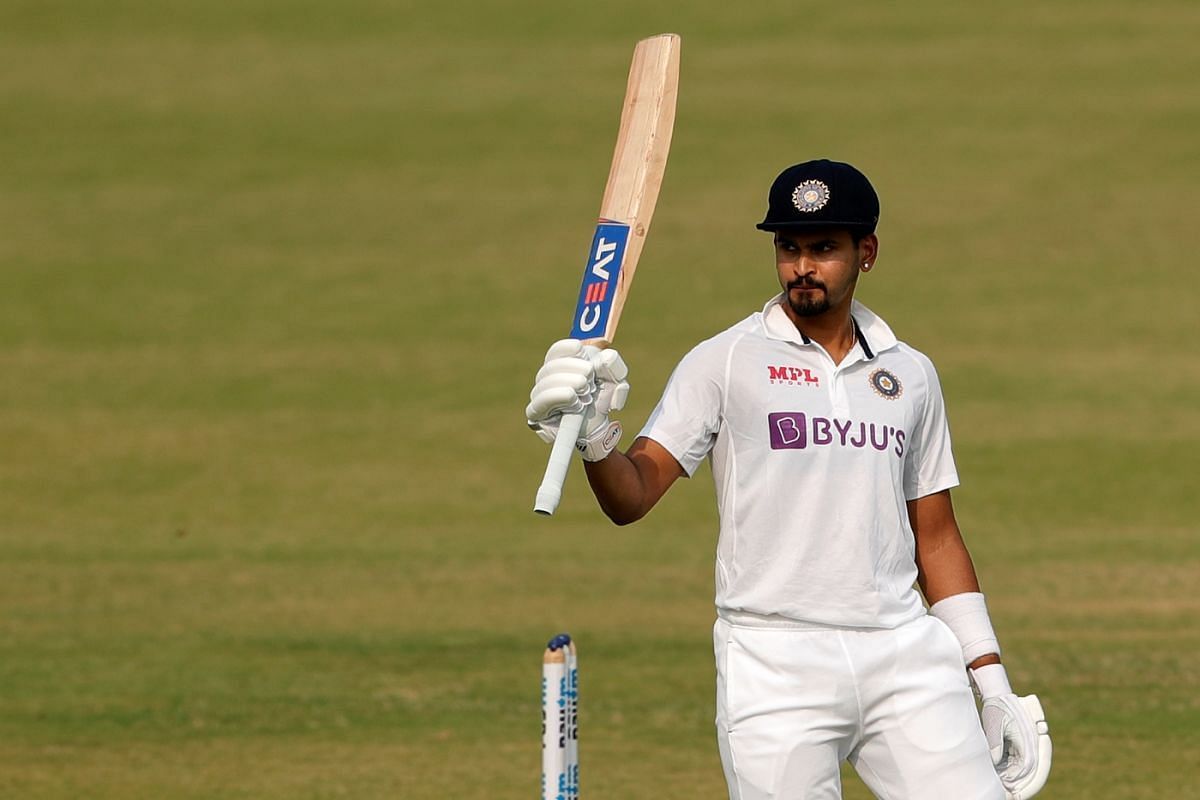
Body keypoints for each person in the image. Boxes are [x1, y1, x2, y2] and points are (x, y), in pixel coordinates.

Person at [526, 159, 1051, 800]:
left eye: (824, 248)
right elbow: (632, 496)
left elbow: (936, 537)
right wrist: (594, 439)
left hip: (905, 654)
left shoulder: (911, 374)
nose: (802, 266)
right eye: (789, 247)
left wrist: (990, 681)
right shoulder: (724, 361)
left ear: (868, 252)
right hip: (774, 660)